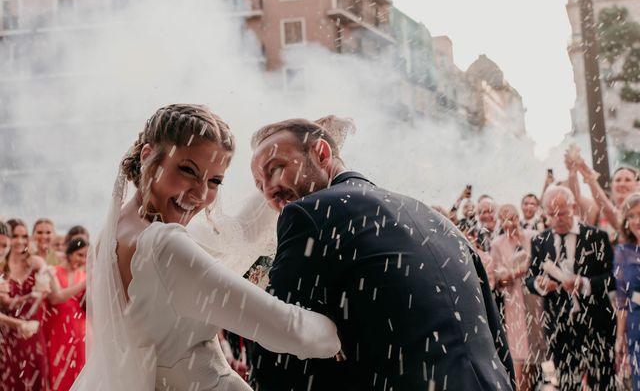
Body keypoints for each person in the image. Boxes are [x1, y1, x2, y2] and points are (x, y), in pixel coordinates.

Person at [70, 104, 340, 391]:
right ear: (148, 156)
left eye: (214, 181)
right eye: (187, 170)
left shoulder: (116, 231)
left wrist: (300, 157)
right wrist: (352, 328)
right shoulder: (164, 247)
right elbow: (289, 330)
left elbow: (238, 233)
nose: (200, 194)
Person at [249, 118, 515, 391]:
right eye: (259, 185)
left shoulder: (308, 214)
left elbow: (276, 347)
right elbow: (497, 340)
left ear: (322, 153)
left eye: (276, 168)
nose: (269, 190)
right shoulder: (438, 220)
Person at [526, 185, 615, 390]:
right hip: (560, 327)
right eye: (551, 214)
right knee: (567, 384)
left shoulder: (596, 236)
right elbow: (530, 278)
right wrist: (540, 284)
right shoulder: (540, 240)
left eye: (562, 213)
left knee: (602, 383)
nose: (557, 218)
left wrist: (584, 283)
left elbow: (613, 278)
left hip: (597, 324)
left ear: (573, 207)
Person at [491, 204, 545, 391]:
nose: (510, 223)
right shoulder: (497, 244)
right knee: (519, 355)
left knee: (536, 358)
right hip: (514, 302)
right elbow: (498, 278)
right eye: (505, 219)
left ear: (518, 217)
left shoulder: (532, 236)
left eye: (512, 218)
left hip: (536, 300)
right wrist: (516, 272)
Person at [1, 218, 51, 391]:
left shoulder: (36, 263)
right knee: (11, 380)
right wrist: (29, 296)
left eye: (24, 236)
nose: (20, 241)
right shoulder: (1, 266)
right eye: (15, 236)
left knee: (36, 378)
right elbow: (6, 304)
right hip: (8, 335)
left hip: (34, 333)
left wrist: (43, 286)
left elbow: (45, 291)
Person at [45, 237, 88, 391]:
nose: (83, 259)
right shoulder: (53, 271)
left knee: (77, 371)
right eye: (79, 255)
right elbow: (55, 298)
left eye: (85, 256)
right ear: (69, 254)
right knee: (56, 369)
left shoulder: (84, 274)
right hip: (57, 331)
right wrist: (83, 284)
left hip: (79, 332)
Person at [613, 192, 640, 390]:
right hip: (637, 322)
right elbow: (622, 299)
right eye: (630, 216)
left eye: (639, 214)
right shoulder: (622, 252)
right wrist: (620, 337)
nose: (635, 221)